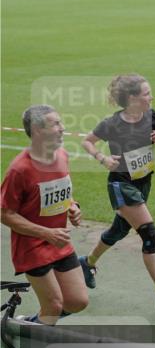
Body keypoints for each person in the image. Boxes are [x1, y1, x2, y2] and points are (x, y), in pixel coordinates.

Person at [77, 74, 155, 307]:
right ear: (132, 98)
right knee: (150, 233)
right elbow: (87, 141)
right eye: (146, 93)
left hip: (143, 182)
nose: (151, 96)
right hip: (120, 184)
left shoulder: (152, 117)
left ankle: (88, 262)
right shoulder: (112, 123)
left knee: (119, 230)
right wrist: (102, 158)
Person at [1, 105, 88, 324]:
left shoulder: (62, 155)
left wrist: (73, 207)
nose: (62, 128)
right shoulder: (19, 170)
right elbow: (5, 213)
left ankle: (29, 325)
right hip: (31, 247)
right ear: (38, 131)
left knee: (78, 301)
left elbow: (62, 191)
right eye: (55, 124)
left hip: (58, 242)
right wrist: (46, 232)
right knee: (54, 306)